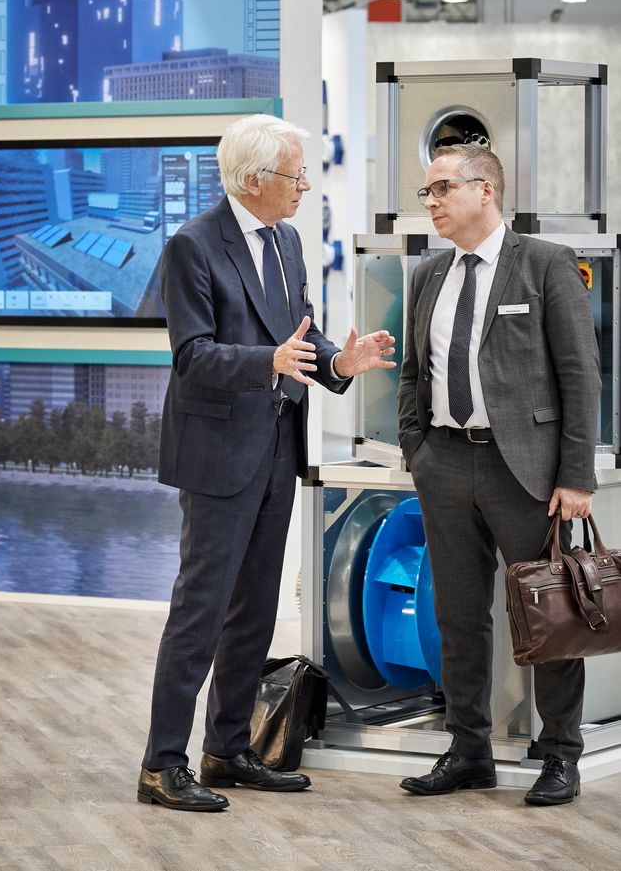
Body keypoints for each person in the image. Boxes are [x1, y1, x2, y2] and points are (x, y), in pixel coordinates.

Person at [138, 114, 397, 812]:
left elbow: (301, 343)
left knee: (253, 613)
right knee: (200, 610)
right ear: (253, 180)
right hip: (217, 454)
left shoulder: (286, 242)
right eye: (294, 175)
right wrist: (268, 360)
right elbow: (191, 357)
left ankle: (227, 749)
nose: (304, 186)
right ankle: (162, 765)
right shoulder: (192, 245)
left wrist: (342, 363)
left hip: (278, 446)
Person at [398, 143, 600, 806]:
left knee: (548, 613)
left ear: (483, 190)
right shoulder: (427, 274)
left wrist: (575, 474)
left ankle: (560, 753)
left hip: (529, 472)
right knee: (456, 615)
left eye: (440, 188)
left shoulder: (542, 265)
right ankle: (467, 749)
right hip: (445, 464)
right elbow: (413, 375)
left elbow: (579, 376)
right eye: (426, 192)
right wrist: (416, 450)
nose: (429, 202)